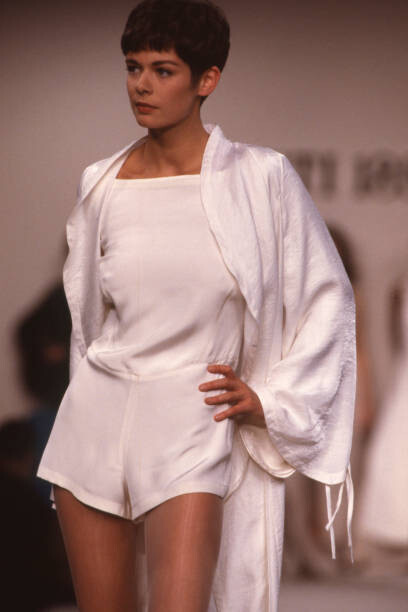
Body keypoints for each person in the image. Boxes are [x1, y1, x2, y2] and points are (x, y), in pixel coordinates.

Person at [36, 1, 356, 610]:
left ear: (207, 79)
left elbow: (328, 297)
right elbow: (89, 319)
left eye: (163, 70)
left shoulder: (261, 178)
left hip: (193, 416)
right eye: (133, 67)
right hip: (94, 421)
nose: (142, 85)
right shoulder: (101, 183)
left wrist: (274, 400)